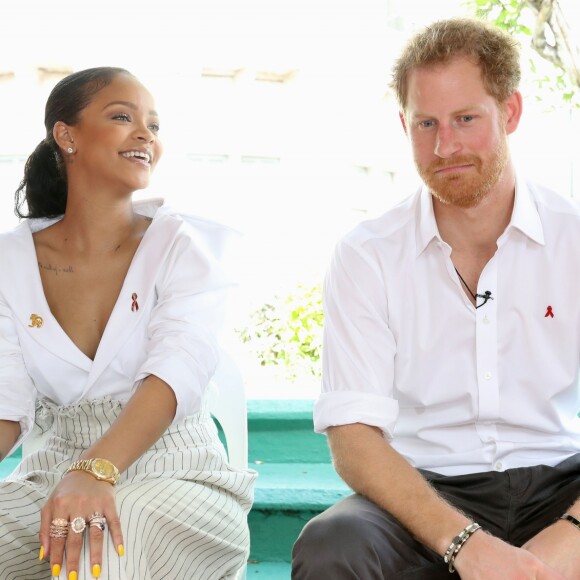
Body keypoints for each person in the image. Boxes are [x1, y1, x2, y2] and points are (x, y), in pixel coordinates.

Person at [292, 17, 580, 580]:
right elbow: (353, 437)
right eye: (426, 123)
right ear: (404, 124)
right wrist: (467, 546)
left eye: (465, 119)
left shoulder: (575, 240)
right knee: (332, 545)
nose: (444, 146)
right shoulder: (367, 254)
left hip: (563, 481)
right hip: (428, 494)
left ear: (511, 112)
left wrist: (572, 534)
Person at [0, 67, 256, 580]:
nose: (146, 135)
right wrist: (76, 476)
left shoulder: (183, 245)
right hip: (52, 478)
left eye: (154, 126)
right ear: (66, 135)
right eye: (123, 117)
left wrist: (96, 471)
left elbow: (176, 372)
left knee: (100, 546)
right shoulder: (10, 260)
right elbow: (6, 406)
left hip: (180, 478)